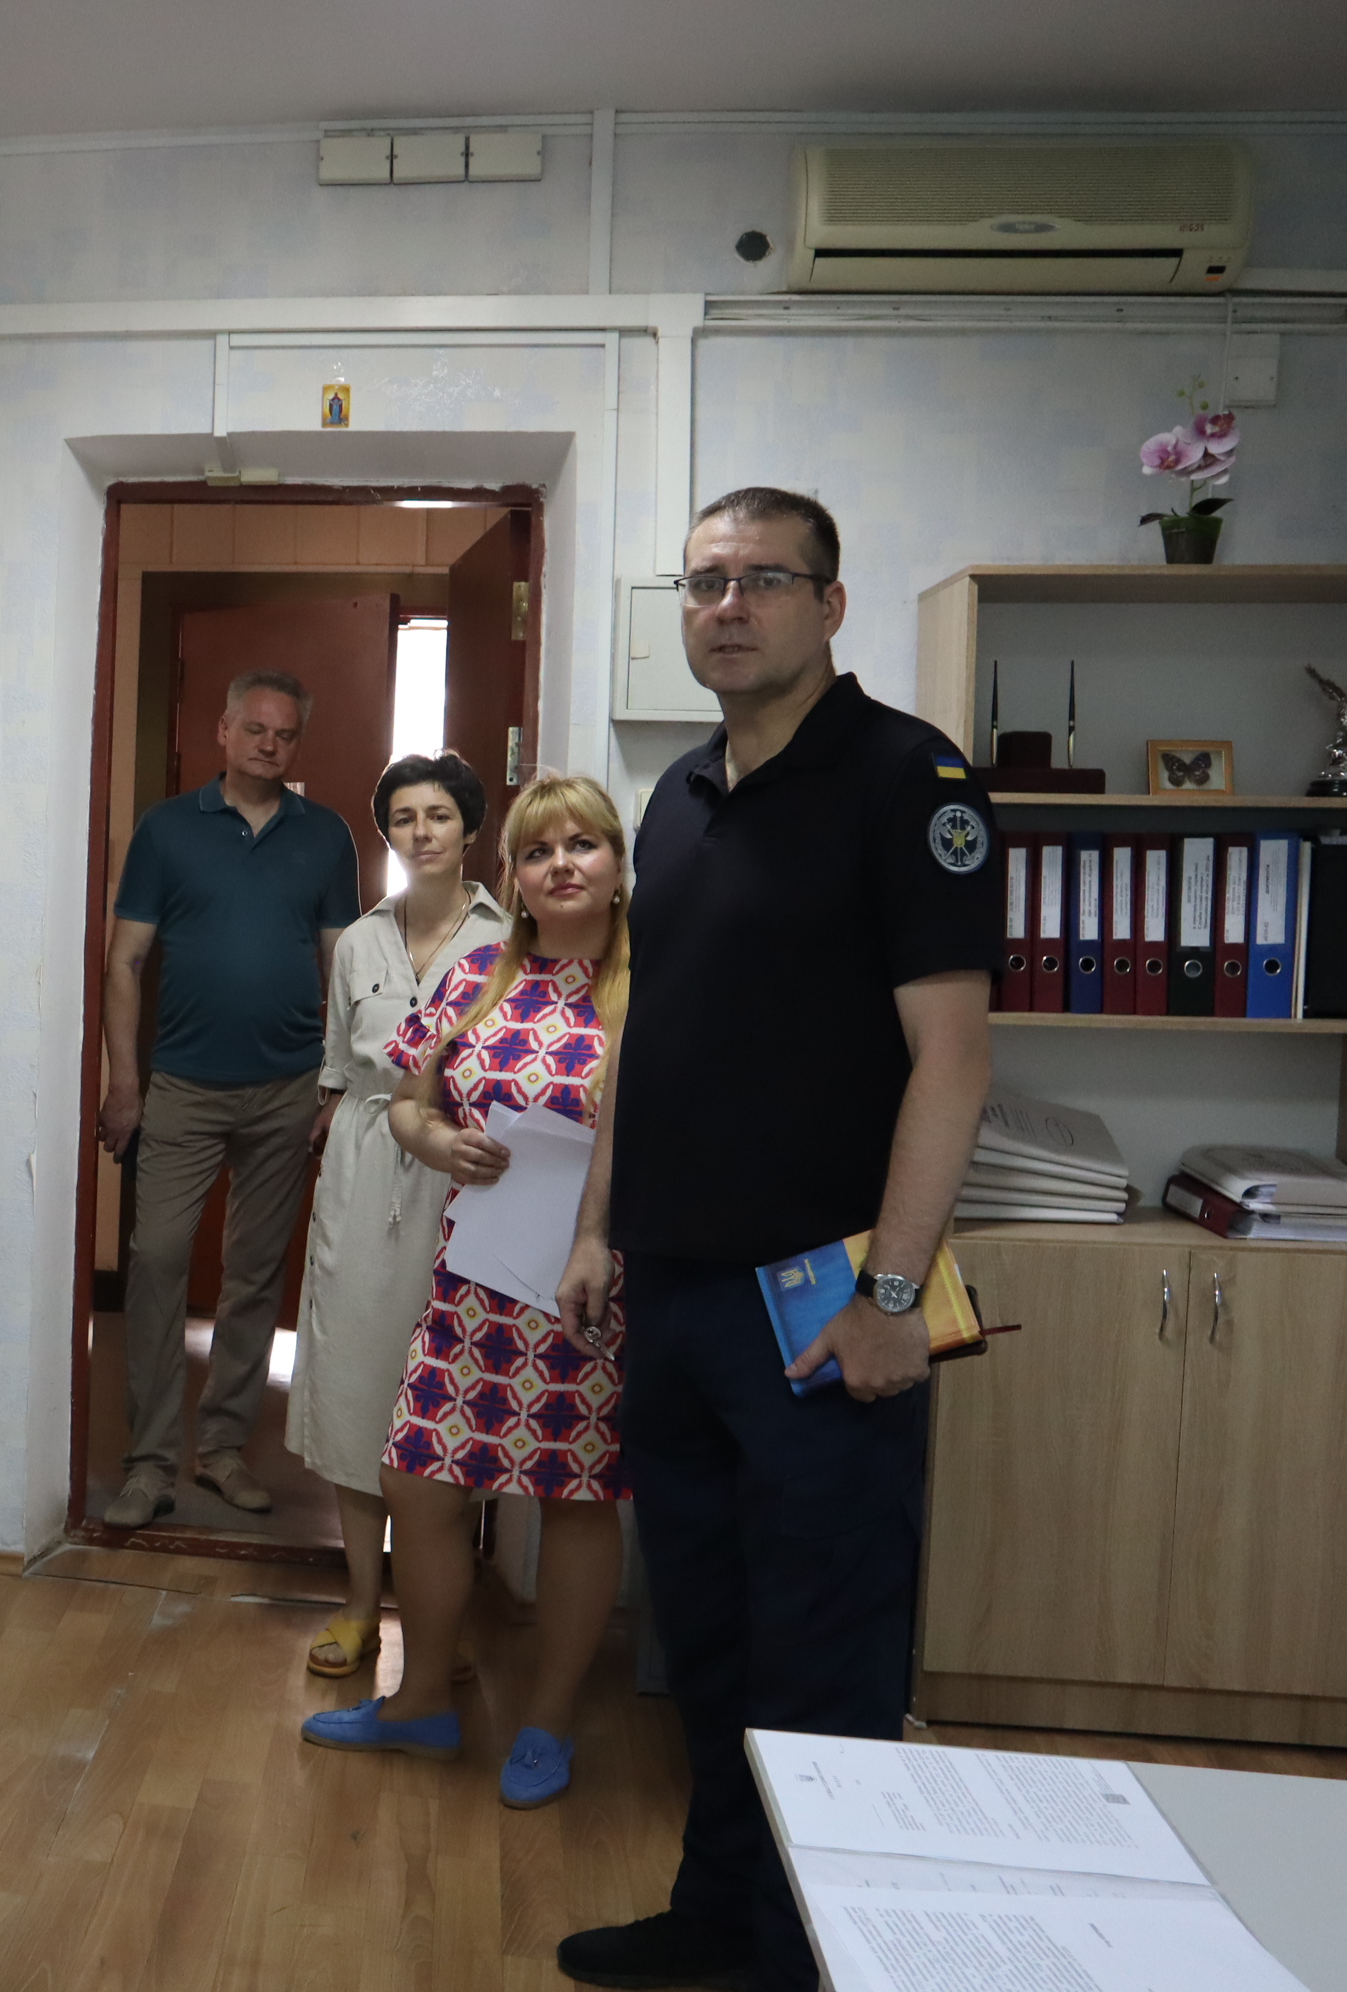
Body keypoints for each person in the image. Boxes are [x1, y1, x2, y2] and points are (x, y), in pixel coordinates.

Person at [553, 489, 997, 1992]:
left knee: (824, 1661)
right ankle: (721, 1918)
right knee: (707, 1641)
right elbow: (645, 1034)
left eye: (761, 580)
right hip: (674, 1294)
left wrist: (890, 1296)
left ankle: (810, 1961)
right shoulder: (678, 795)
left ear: (829, 604)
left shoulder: (906, 780)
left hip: (822, 1309)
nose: (727, 607)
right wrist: (600, 1227)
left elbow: (953, 1060)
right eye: (703, 583)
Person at [299, 775, 633, 1813]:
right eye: (538, 852)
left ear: (618, 865)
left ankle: (548, 1720)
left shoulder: (652, 986)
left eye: (582, 845)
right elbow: (407, 1102)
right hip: (474, 1287)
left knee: (574, 1501)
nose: (561, 865)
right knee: (418, 1482)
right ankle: (419, 1705)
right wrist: (439, 1139)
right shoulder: (480, 976)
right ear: (514, 877)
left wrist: (598, 1232)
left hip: (589, 1296)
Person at [96, 671, 361, 1529]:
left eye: (284, 734)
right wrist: (124, 1084)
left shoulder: (326, 836)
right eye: (255, 729)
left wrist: (336, 1082)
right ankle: (148, 1465)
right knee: (157, 1258)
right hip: (181, 1085)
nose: (269, 745)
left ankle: (220, 1450)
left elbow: (343, 965)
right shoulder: (168, 829)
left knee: (254, 1274)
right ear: (223, 730)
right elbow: (124, 961)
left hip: (287, 1089)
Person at [286, 752, 507, 1678]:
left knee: (452, 1401)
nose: (423, 832)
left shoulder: (509, 939)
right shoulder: (358, 942)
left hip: (469, 1174)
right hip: (367, 1164)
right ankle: (358, 1606)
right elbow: (340, 1067)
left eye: (440, 815)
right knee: (354, 1387)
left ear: (469, 829)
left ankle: (438, 1621)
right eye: (405, 818)